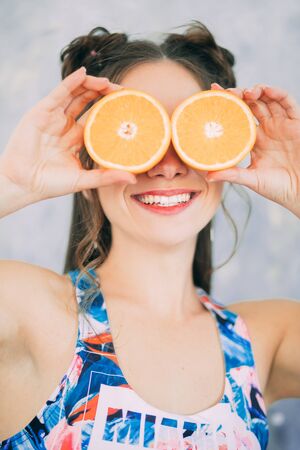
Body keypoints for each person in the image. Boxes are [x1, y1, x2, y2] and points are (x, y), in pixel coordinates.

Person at [0, 19, 299, 450]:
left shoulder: (264, 340)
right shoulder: (31, 314)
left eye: (190, 132)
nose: (167, 164)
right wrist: (12, 183)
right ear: (88, 159)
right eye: (137, 133)